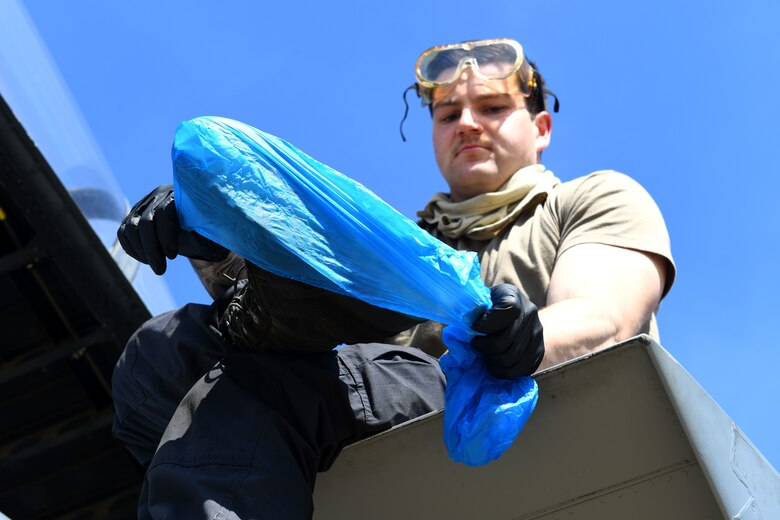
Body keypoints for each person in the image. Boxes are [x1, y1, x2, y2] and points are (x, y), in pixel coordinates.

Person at [112, 38, 674, 518]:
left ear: (541, 126)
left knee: (262, 383)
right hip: (364, 399)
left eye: (494, 107)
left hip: (507, 407)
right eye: (449, 114)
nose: (469, 124)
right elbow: (291, 327)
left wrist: (523, 339)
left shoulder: (588, 198)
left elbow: (604, 317)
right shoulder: (401, 244)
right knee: (162, 353)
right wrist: (208, 237)